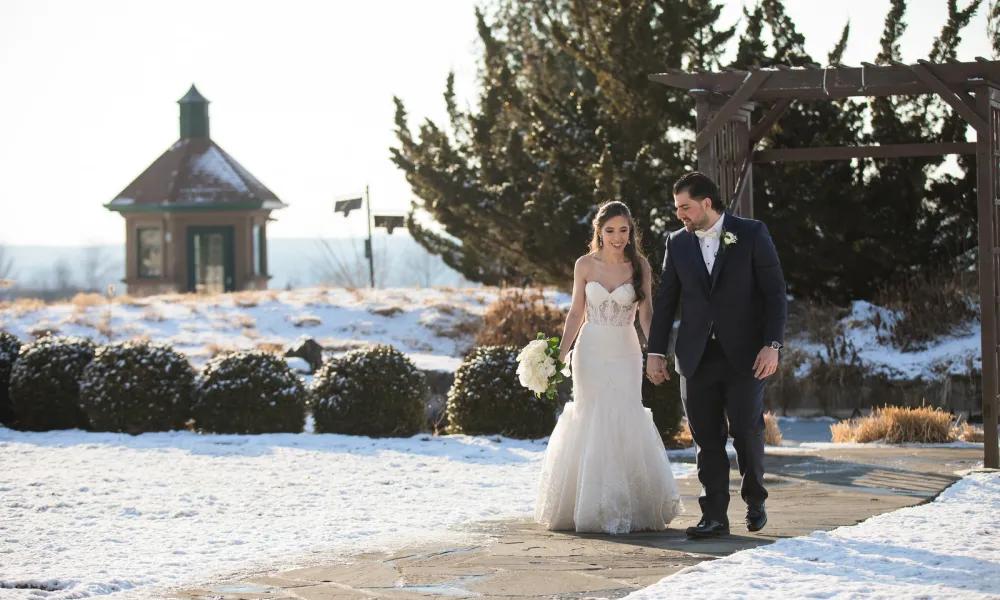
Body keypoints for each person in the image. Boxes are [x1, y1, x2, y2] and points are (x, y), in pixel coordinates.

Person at [646, 171, 787, 538]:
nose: (680, 215)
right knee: (705, 438)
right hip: (695, 356)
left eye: (685, 207)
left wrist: (772, 345)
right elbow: (666, 303)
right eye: (677, 208)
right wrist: (656, 351)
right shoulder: (676, 243)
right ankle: (714, 517)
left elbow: (775, 294)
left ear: (707, 203)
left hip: (746, 356)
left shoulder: (752, 233)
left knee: (746, 431)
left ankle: (755, 498)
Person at [534, 200, 684, 534]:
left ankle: (628, 505)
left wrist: (655, 351)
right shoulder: (584, 265)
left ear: (631, 233)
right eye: (610, 230)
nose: (618, 237)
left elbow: (646, 314)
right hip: (589, 351)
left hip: (626, 350)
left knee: (626, 414)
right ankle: (587, 505)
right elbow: (576, 312)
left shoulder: (640, 265)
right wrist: (560, 356)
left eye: (624, 230)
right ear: (599, 232)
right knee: (591, 416)